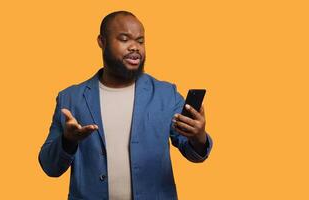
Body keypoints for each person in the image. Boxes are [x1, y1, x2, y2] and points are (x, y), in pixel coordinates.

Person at [38, 10, 213, 200]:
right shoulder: (70, 98)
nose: (135, 47)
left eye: (140, 41)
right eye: (124, 39)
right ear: (102, 42)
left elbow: (194, 154)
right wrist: (68, 140)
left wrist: (199, 137)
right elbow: (49, 167)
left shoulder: (166, 94)